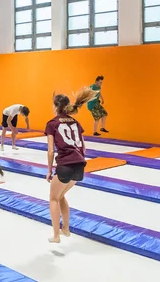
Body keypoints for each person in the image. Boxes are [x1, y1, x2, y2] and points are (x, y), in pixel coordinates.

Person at [45, 87, 97, 243]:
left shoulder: (52, 123)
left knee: (53, 198)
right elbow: (84, 147)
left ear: (56, 107)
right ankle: (66, 229)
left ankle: (55, 235)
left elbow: (50, 151)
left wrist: (49, 171)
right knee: (61, 196)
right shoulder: (75, 122)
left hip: (65, 166)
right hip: (79, 165)